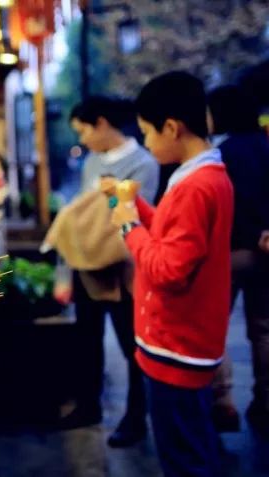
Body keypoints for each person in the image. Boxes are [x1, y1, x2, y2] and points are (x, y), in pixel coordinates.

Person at [110, 71, 233, 476]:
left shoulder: (197, 186)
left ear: (171, 127)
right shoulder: (200, 175)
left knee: (184, 459)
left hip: (176, 348)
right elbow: (171, 232)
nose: (145, 143)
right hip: (181, 344)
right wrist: (137, 207)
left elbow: (168, 269)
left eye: (147, 133)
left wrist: (129, 225)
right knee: (193, 447)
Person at [61, 96, 159, 447]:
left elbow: (130, 214)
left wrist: (108, 202)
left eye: (84, 130)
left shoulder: (144, 164)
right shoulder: (92, 162)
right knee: (86, 340)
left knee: (132, 346)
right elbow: (86, 212)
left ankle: (135, 418)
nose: (83, 138)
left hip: (123, 271)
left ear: (102, 123)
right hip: (87, 266)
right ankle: (88, 406)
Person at [207, 85, 269, 435]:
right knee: (263, 329)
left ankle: (222, 402)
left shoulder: (221, 154)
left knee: (215, 327)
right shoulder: (266, 146)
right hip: (265, 250)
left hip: (228, 254)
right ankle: (265, 400)